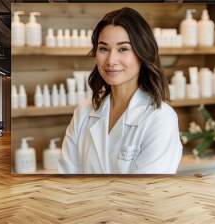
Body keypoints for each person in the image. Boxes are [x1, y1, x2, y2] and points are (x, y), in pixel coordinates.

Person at [58, 7, 182, 174]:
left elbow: (147, 192)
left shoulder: (160, 118)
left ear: (142, 53)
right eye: (103, 49)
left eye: (123, 49)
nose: (111, 60)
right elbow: (66, 176)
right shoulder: (83, 112)